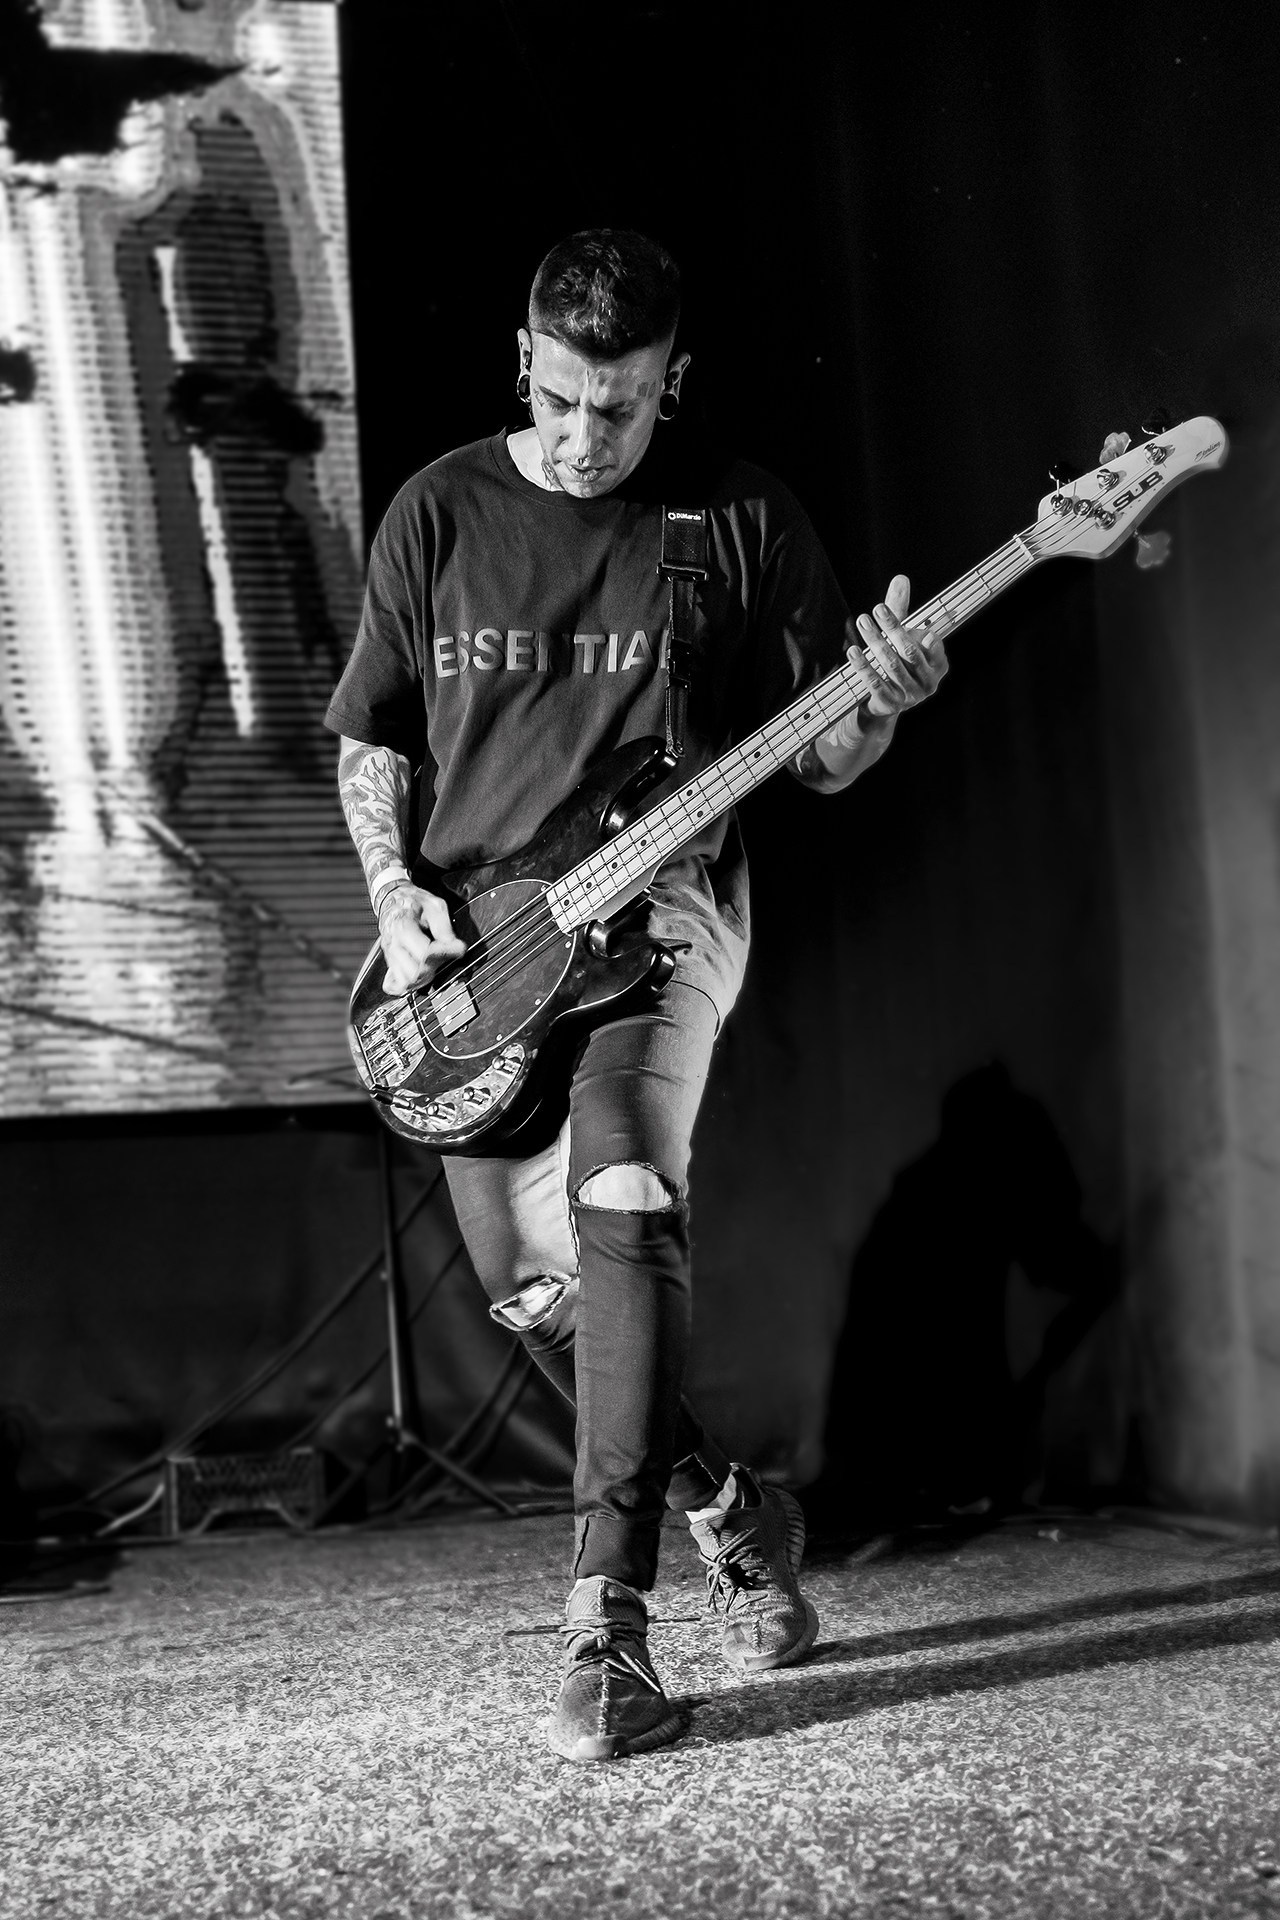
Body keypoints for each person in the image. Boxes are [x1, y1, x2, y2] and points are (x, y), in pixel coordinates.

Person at [326, 228, 948, 1763]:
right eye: (559, 399)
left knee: (623, 1192)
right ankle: (734, 1508)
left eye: (620, 406)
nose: (586, 436)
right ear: (523, 363)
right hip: (479, 960)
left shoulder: (736, 518)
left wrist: (879, 706)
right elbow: (373, 740)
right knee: (536, 1298)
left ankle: (606, 1629)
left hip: (660, 924)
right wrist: (394, 894)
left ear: (673, 380)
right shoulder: (439, 509)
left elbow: (822, 750)